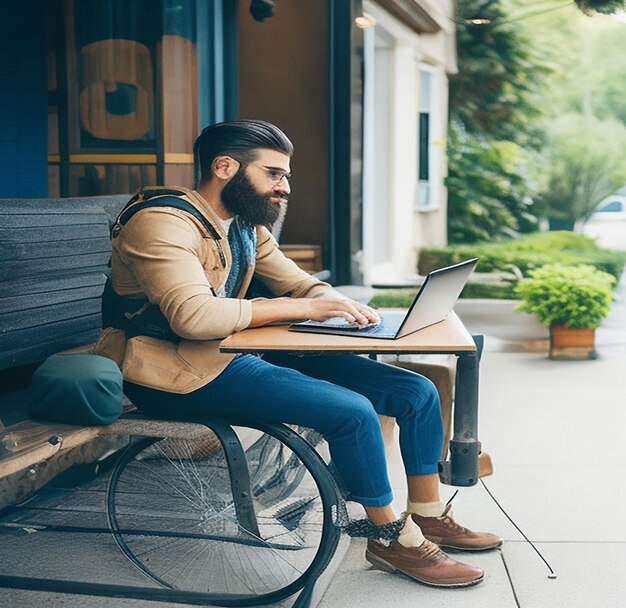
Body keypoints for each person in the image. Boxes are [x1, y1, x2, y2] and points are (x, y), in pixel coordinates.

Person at [95, 119, 501, 588]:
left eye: (285, 176)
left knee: (415, 390)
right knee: (351, 412)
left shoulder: (243, 226)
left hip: (236, 352)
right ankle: (389, 539)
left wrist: (341, 306)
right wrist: (305, 305)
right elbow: (194, 318)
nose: (284, 188)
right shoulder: (161, 223)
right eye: (273, 174)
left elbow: (297, 284)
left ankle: (427, 516)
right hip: (172, 370)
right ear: (225, 167)